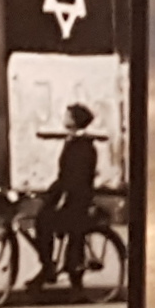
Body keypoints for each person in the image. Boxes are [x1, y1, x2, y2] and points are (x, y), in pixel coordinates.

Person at [35, 103, 102, 286]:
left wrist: (61, 197)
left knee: (65, 230)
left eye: (68, 115)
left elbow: (76, 178)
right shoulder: (72, 141)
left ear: (74, 120)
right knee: (43, 222)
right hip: (65, 195)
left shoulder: (83, 145)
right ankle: (47, 267)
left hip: (76, 199)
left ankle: (70, 276)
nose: (64, 117)